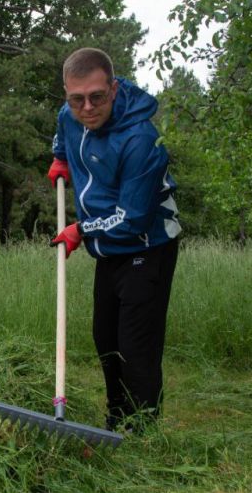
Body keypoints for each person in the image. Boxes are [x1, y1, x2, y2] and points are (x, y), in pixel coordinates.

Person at [48, 47, 182, 433]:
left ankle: (143, 431)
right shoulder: (69, 115)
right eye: (77, 99)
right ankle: (117, 419)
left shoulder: (141, 140)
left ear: (114, 88)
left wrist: (80, 230)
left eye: (97, 97)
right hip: (108, 247)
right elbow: (64, 136)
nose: (87, 108)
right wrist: (60, 158)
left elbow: (133, 217)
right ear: (67, 94)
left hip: (147, 244)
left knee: (135, 345)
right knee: (105, 338)